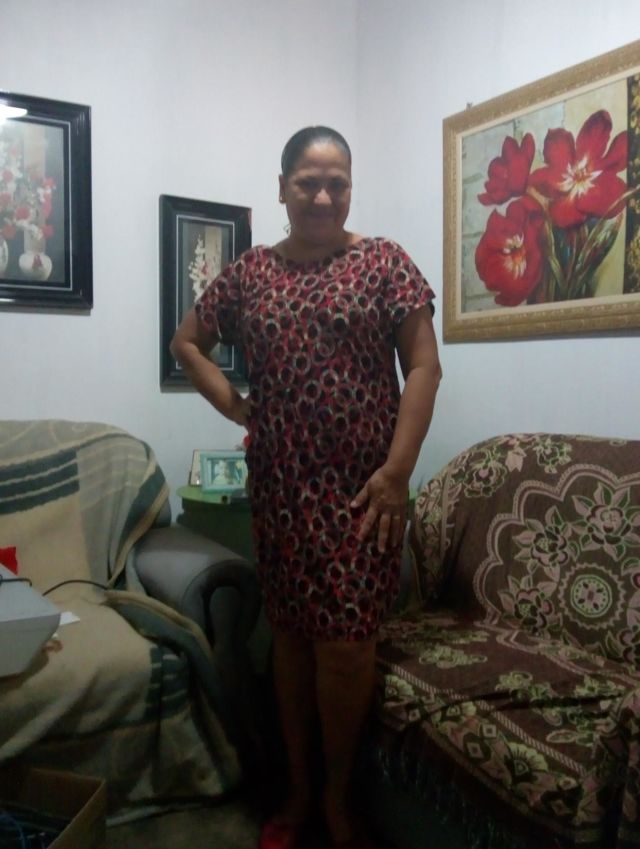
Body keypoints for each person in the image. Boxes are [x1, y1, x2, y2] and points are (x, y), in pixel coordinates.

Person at [170, 126, 441, 849]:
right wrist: (234, 404)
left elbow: (424, 367)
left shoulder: (384, 263)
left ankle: (336, 794)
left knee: (347, 646)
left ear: (351, 188)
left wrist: (398, 472)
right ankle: (295, 786)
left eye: (337, 183)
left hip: (365, 493)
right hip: (282, 487)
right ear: (283, 187)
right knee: (290, 639)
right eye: (307, 182)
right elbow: (186, 342)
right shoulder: (250, 273)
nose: (323, 196)